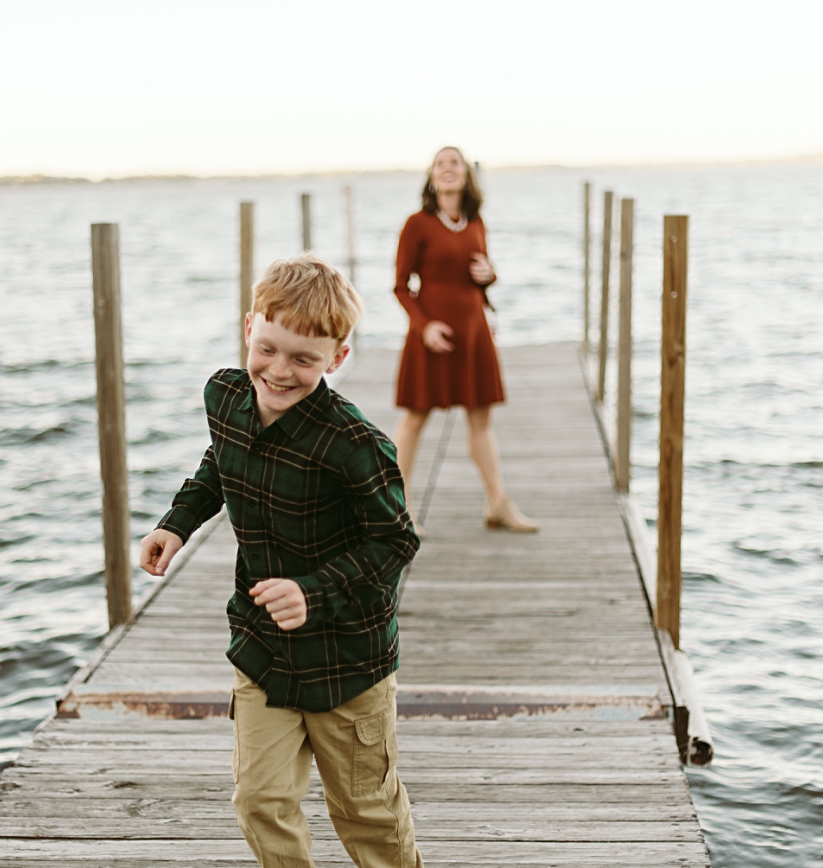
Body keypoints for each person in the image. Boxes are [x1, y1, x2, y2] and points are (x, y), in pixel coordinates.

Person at [139, 255, 424, 868]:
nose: (280, 371)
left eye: (304, 359)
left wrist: (313, 592)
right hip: (263, 646)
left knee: (366, 813)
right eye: (268, 348)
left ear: (337, 358)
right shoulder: (225, 396)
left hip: (350, 657)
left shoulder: (355, 446)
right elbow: (220, 464)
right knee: (260, 800)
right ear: (249, 327)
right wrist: (177, 523)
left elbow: (396, 542)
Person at [392, 146, 538, 534]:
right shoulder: (417, 224)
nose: (447, 168)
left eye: (454, 162)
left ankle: (498, 505)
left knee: (481, 418)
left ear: (466, 175)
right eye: (440, 164)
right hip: (433, 333)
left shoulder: (476, 222)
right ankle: (399, 510)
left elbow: (480, 274)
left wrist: (490, 274)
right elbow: (401, 288)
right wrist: (425, 327)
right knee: (415, 417)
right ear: (432, 176)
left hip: (474, 330)